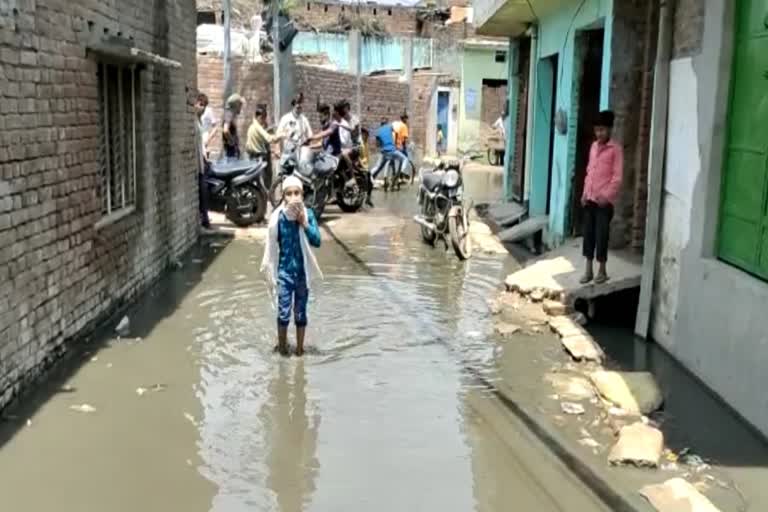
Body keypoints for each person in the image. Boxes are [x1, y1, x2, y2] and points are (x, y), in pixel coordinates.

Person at [261, 175, 322, 357]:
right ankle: (282, 350)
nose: (293, 197)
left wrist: (304, 223)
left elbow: (317, 241)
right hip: (285, 273)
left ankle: (300, 351)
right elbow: (272, 247)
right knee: (283, 314)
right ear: (284, 197)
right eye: (289, 194)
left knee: (301, 315)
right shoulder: (278, 219)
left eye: (297, 193)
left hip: (302, 274)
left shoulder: (308, 215)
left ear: (302, 195)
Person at [580, 110, 623, 285]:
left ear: (610, 129)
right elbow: (589, 172)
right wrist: (584, 193)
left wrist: (607, 196)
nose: (599, 134)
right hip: (589, 200)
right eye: (597, 130)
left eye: (603, 130)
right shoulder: (593, 147)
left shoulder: (616, 149)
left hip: (604, 204)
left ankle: (602, 270)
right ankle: (588, 270)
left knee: (601, 235)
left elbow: (617, 177)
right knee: (588, 235)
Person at [246, 105, 284, 189]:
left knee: (267, 176)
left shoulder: (256, 126)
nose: (264, 119)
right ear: (258, 116)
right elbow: (269, 138)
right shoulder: (257, 127)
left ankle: (266, 196)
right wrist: (281, 135)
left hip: (263, 153)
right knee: (262, 179)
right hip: (259, 156)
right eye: (263, 117)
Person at [194, 93, 212, 229]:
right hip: (197, 162)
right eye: (201, 105)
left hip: (202, 160)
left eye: (204, 106)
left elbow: (201, 143)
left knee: (204, 190)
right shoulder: (194, 121)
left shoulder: (198, 121)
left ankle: (205, 217)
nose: (202, 108)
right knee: (203, 191)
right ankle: (204, 218)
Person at [223, 93, 245, 159]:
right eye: (240, 105)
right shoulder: (229, 114)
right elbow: (225, 130)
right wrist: (233, 143)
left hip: (232, 151)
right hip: (231, 152)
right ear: (236, 105)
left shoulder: (230, 114)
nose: (241, 107)